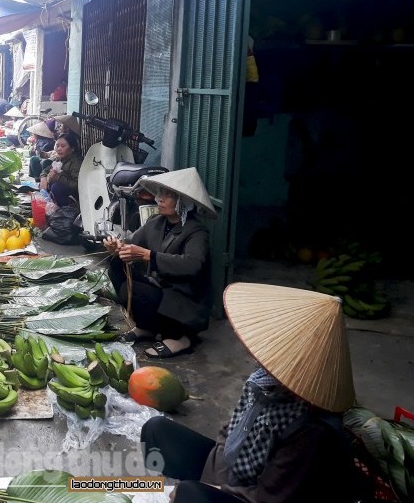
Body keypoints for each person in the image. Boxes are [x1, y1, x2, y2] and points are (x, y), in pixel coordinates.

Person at [141, 282, 361, 503]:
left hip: (255, 496)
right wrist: (211, 481)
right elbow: (230, 431)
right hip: (231, 470)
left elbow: (269, 498)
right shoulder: (262, 381)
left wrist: (214, 490)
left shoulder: (310, 430)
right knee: (156, 430)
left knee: (190, 495)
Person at [103, 167, 217, 358]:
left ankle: (181, 337)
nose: (160, 199)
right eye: (160, 194)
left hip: (183, 297)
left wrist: (150, 256)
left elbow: (193, 264)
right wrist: (117, 247)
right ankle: (147, 327)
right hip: (161, 289)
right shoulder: (156, 222)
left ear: (183, 201)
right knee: (116, 266)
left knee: (138, 291)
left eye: (168, 195)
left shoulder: (196, 231)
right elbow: (131, 243)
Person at [39, 132, 82, 207]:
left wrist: (58, 177)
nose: (59, 149)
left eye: (63, 146)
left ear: (72, 148)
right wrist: (43, 177)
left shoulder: (76, 162)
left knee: (56, 187)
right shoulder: (61, 158)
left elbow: (78, 185)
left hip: (76, 197)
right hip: (62, 190)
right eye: (57, 145)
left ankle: (65, 209)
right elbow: (47, 169)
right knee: (45, 183)